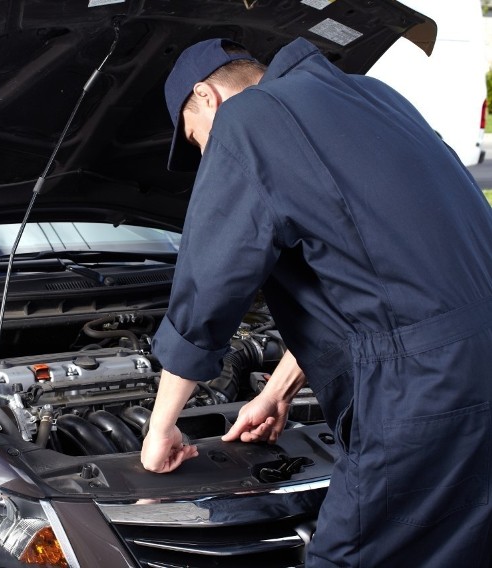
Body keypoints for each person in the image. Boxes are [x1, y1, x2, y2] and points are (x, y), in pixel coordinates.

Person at [140, 37, 492, 567]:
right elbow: (371, 278)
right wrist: (278, 391)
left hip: (425, 389)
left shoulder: (247, 121)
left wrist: (161, 424)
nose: (207, 156)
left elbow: (207, 289)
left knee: (347, 556)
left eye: (196, 141)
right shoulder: (372, 97)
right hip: (467, 361)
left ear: (207, 96)